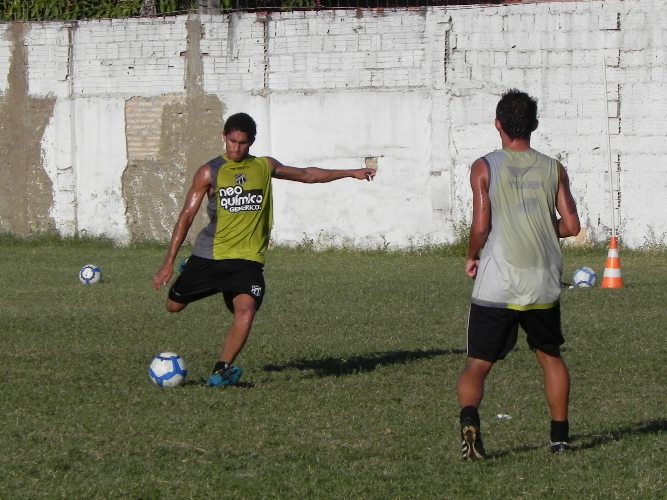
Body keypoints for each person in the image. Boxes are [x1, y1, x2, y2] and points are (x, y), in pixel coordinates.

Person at [153, 112, 375, 387]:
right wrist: (168, 263)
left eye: (243, 143)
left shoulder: (264, 166)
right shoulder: (209, 171)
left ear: (252, 142)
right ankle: (191, 271)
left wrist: (350, 173)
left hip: (247, 259)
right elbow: (186, 216)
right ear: (224, 138)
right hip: (210, 255)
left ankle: (221, 371)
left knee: (246, 311)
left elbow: (308, 175)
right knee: (173, 306)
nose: (236, 148)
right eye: (232, 141)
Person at [456, 90, 581, 460]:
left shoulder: (484, 166)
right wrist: (542, 226)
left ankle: (469, 420)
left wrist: (471, 254)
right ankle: (559, 438)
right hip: (542, 278)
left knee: (478, 363)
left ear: (497, 124)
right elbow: (571, 226)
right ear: (535, 125)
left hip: (499, 277)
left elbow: (481, 224)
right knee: (550, 355)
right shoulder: (553, 168)